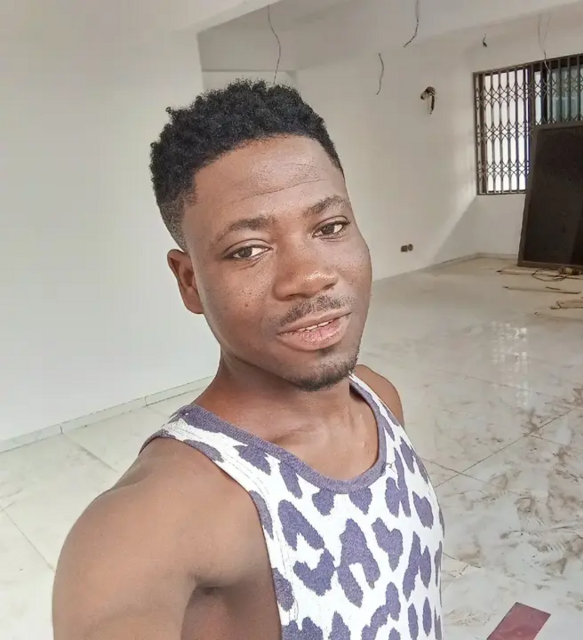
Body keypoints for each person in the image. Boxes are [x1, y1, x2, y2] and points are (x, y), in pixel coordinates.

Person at [53, 80, 444, 640]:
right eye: (248, 250)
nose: (309, 276)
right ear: (190, 281)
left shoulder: (380, 398)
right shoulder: (158, 516)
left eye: (330, 227)